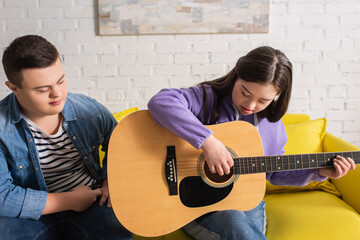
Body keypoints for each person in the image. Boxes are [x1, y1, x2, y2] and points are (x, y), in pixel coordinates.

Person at [147, 46, 356, 240]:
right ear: (236, 76)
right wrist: (208, 142)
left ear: (277, 97)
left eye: (263, 101)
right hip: (195, 203)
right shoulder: (206, 98)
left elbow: (274, 173)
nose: (250, 104)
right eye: (245, 92)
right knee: (234, 221)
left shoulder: (272, 126)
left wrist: (320, 172)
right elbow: (161, 102)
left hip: (246, 203)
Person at [0, 35, 132, 240]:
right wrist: (69, 200)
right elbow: (2, 197)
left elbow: (121, 142)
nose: (57, 94)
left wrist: (109, 180)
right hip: (32, 214)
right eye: (43, 89)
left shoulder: (90, 111)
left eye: (60, 81)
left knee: (116, 228)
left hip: (93, 204)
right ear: (13, 88)